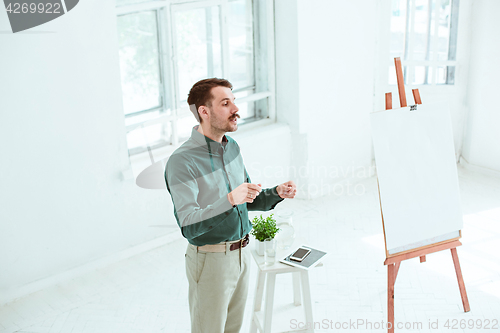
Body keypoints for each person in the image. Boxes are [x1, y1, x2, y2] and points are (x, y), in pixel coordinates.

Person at [164, 78, 297, 333]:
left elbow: (246, 199)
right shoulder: (182, 162)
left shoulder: (232, 147)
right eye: (225, 103)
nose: (236, 109)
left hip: (242, 256)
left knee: (233, 329)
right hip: (210, 259)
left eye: (233, 101)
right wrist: (229, 200)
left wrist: (276, 193)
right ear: (204, 111)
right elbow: (189, 226)